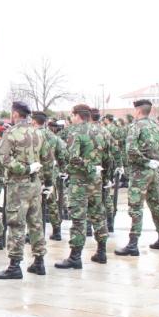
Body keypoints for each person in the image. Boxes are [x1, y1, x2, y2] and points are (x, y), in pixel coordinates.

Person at [0, 101, 52, 279]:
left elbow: (4, 160)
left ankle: (14, 265)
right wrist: (48, 182)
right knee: (36, 223)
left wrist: (23, 169)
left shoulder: (11, 133)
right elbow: (48, 160)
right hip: (35, 184)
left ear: (15, 114)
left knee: (16, 224)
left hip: (18, 185)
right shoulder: (39, 133)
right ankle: (39, 261)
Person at [115, 99, 159, 256]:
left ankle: (133, 244)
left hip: (140, 172)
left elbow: (131, 151)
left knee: (136, 207)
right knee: (156, 205)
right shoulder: (157, 127)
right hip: (154, 172)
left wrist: (145, 162)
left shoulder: (136, 127)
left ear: (138, 110)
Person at [54, 104, 108, 269]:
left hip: (80, 181)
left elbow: (73, 158)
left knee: (78, 218)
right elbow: (110, 156)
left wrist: (86, 167)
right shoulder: (102, 131)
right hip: (96, 180)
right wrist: (104, 174)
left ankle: (75, 256)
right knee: (98, 214)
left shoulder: (76, 132)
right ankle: (101, 251)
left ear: (77, 115)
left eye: (72, 114)